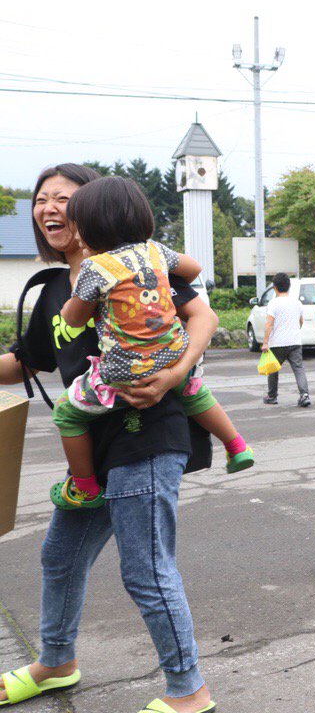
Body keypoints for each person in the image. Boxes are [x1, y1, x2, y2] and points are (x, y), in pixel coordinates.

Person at [0, 164, 219, 711]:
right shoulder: (54, 289)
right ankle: (56, 662)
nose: (50, 209)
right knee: (59, 556)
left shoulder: (142, 267)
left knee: (145, 568)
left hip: (146, 433)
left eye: (64, 200)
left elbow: (204, 317)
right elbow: (27, 362)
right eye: (41, 200)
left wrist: (176, 372)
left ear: (94, 212)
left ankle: (188, 691)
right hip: (91, 447)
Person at [48, 176, 252, 511]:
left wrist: (75, 300)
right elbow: (194, 268)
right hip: (174, 356)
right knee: (195, 393)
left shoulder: (95, 268)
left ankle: (84, 488)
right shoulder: (155, 251)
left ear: (92, 229)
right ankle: (237, 445)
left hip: (125, 372)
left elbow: (73, 318)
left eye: (78, 225)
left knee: (67, 413)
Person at [261, 272, 310, 407]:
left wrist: (265, 342)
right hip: (294, 342)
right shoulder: (297, 303)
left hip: (277, 343)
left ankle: (272, 396)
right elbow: (300, 322)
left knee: (273, 369)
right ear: (288, 286)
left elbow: (268, 324)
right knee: (298, 368)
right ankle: (304, 395)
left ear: (275, 288)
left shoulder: (273, 303)